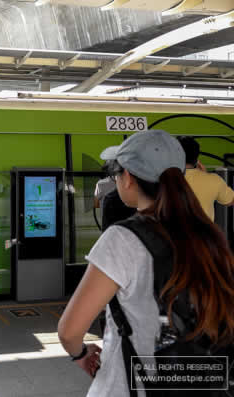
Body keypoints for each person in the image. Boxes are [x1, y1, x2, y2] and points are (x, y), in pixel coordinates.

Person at [58, 130, 234, 396]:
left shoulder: (122, 239)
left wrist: (80, 354)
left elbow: (69, 331)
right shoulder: (209, 237)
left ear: (127, 178)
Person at [177, 136, 234, 222]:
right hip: (205, 235)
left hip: (172, 235)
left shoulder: (161, 180)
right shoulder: (214, 180)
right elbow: (230, 201)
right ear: (196, 159)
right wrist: (206, 175)